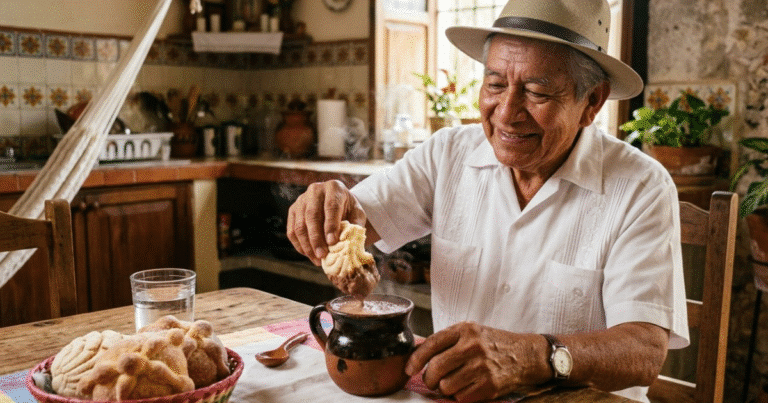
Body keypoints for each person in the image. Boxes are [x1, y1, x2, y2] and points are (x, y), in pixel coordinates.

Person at [287, 0, 689, 401]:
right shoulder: (448, 153)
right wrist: (328, 207)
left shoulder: (640, 185)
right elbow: (358, 219)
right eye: (495, 84)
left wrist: (533, 357)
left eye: (537, 91)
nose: (507, 113)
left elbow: (643, 351)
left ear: (592, 103)